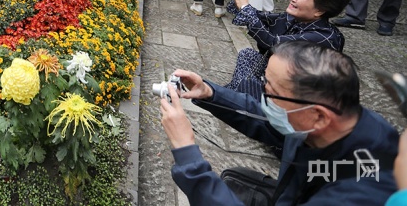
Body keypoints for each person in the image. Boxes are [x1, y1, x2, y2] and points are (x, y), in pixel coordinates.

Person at [160, 41, 399, 205]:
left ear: (319, 116)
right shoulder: (329, 120)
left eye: (272, 93)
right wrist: (210, 92)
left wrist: (186, 151)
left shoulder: (360, 191)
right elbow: (264, 118)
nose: (264, 97)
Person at [224, 0, 348, 98]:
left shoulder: (324, 37)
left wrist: (244, 5)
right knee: (248, 55)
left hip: (299, 95)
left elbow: (272, 43)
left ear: (319, 11)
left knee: (230, 90)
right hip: (281, 77)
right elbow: (258, 16)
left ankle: (242, 103)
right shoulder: (296, 18)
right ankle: (237, 97)